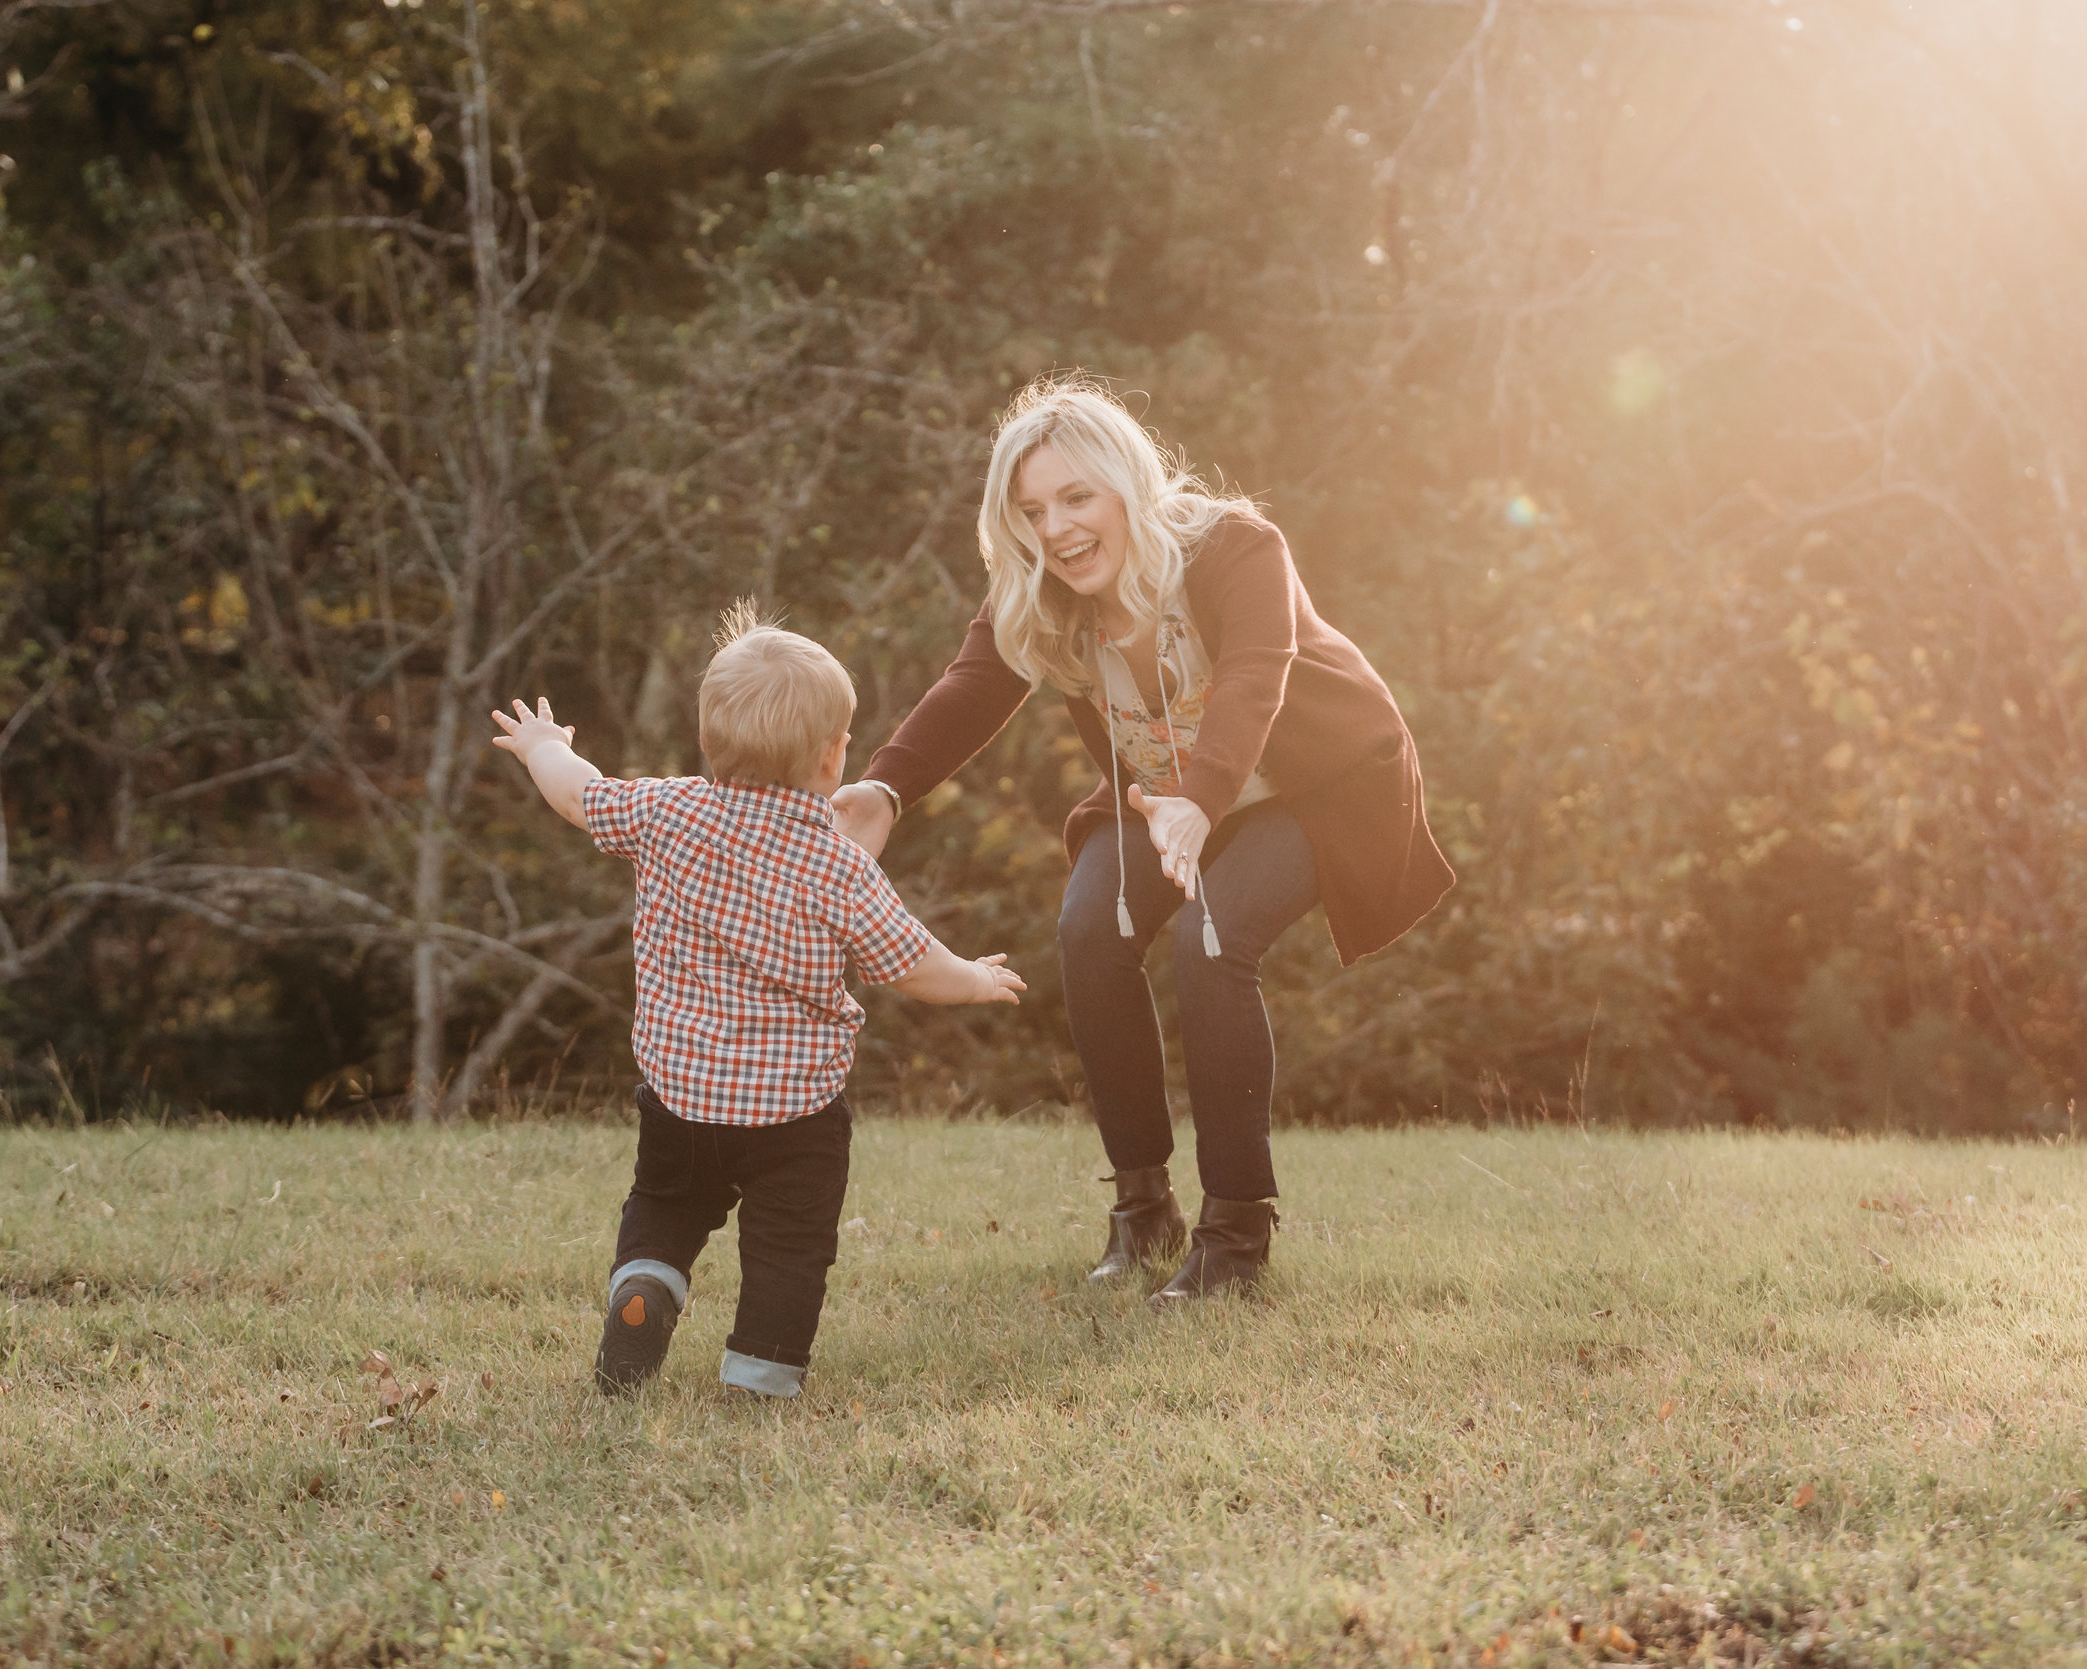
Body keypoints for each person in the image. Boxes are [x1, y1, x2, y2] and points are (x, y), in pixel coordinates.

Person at [834, 379, 1454, 1304]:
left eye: (1076, 498)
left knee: (1213, 938)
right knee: (1090, 932)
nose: (1056, 529)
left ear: (1128, 482)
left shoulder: (1234, 547)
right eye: (1032, 509)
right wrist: (886, 785)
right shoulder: (1040, 593)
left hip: (1315, 783)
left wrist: (1203, 799)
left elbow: (1254, 677)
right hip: (1160, 793)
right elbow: (971, 685)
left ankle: (1237, 1236)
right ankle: (1143, 1211)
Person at [492, 602, 1026, 1398]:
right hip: (795, 1116)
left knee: (666, 1205)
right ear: (829, 757)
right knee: (789, 1243)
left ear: (710, 739)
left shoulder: (667, 811)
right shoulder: (836, 863)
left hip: (681, 1094)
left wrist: (542, 745)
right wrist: (979, 977)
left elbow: (580, 794)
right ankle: (761, 1371)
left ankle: (645, 1286)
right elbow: (912, 963)